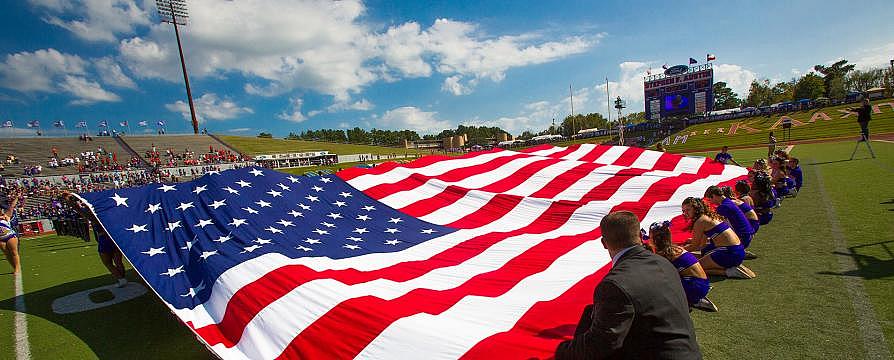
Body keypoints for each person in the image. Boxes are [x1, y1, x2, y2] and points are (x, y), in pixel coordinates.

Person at [556, 211, 701, 359]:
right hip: (687, 352)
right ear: (639, 235)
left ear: (604, 243)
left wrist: (561, 351)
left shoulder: (615, 284)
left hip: (657, 353)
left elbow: (600, 345)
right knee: (590, 312)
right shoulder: (663, 263)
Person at [648, 220, 717, 312]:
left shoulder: (664, 254)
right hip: (702, 284)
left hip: (693, 287)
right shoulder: (675, 249)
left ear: (654, 238)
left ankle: (687, 301)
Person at [63, 192, 127, 287]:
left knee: (107, 262)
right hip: (114, 237)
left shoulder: (93, 215)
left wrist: (70, 199)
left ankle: (121, 279)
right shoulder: (107, 212)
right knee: (118, 261)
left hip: (104, 239)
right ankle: (122, 278)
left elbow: (77, 208)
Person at [681, 197, 755, 279]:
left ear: (696, 208)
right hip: (736, 251)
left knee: (695, 269)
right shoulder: (707, 217)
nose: (685, 213)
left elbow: (694, 246)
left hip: (729, 253)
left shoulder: (700, 221)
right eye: (684, 211)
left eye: (688, 210)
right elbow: (702, 245)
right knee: (701, 255)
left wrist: (677, 251)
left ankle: (728, 272)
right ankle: (728, 267)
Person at [0, 190, 22, 274]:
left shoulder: (6, 216)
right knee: (7, 255)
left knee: (14, 253)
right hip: (1, 239)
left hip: (10, 236)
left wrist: (17, 197)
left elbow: (12, 206)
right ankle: (15, 267)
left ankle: (17, 268)